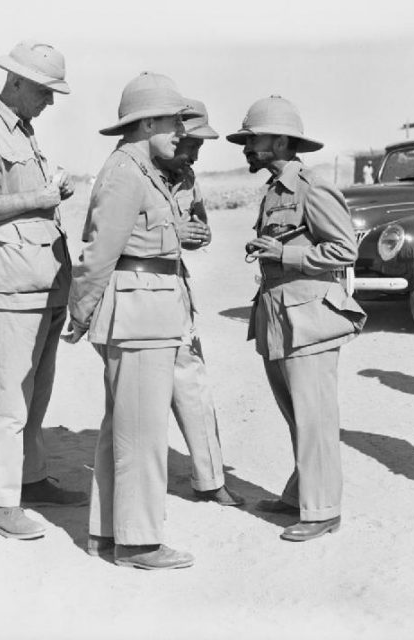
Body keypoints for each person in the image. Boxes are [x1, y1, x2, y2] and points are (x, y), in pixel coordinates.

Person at [66, 72, 202, 570]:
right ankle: (140, 543)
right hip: (139, 314)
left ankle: (108, 535)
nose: (180, 133)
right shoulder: (126, 172)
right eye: (172, 123)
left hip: (146, 310)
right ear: (146, 122)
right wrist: (80, 312)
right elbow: (99, 253)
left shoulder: (142, 168)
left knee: (122, 429)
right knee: (142, 434)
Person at [0, 40, 86, 540]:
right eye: (44, 91)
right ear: (16, 82)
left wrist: (54, 194)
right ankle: (1, 504)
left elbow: (20, 199)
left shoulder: (23, 133)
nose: (49, 102)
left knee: (36, 394)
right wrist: (39, 197)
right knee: (7, 399)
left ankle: (29, 479)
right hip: (8, 283)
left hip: (41, 279)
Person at [227, 95, 366, 541]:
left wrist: (286, 253)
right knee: (297, 416)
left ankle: (323, 510)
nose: (246, 147)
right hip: (279, 317)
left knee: (315, 417)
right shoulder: (274, 190)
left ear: (282, 140)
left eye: (254, 139)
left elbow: (345, 250)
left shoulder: (312, 187)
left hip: (310, 321)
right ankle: (301, 493)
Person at [155, 99, 245, 508]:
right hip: (135, 298)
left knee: (193, 386)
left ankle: (209, 480)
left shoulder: (186, 175)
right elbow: (104, 240)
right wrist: (174, 234)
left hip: (173, 291)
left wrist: (198, 235)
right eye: (190, 144)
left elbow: (201, 226)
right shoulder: (131, 174)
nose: (195, 154)